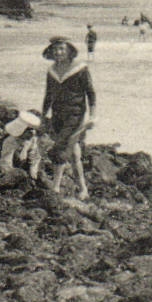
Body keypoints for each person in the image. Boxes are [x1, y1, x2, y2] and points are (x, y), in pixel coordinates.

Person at [40, 37, 95, 196]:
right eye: (55, 49)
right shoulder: (51, 71)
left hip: (75, 115)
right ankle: (83, 189)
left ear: (70, 51)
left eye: (62, 49)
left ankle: (55, 187)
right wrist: (43, 116)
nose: (58, 52)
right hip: (58, 115)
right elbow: (48, 95)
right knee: (74, 153)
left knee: (61, 148)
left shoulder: (80, 69)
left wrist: (92, 116)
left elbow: (91, 93)